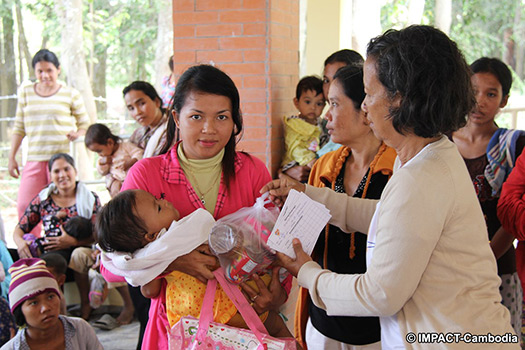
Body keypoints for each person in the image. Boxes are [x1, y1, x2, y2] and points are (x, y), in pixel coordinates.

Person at [262, 25, 518, 349]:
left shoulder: (422, 176)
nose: (365, 105)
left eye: (369, 93)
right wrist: (310, 196)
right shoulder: (425, 155)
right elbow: (392, 218)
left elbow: (378, 294)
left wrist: (307, 272)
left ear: (400, 98)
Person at [117, 64, 290, 349]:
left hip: (245, 329)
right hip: (176, 332)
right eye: (196, 116)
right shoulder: (145, 175)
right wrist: (172, 261)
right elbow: (112, 263)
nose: (209, 129)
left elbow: (277, 246)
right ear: (176, 117)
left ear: (234, 120)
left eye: (222, 117)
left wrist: (277, 294)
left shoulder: (252, 171)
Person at [97, 189, 291, 338]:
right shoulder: (183, 231)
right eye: (158, 207)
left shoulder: (147, 256)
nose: (164, 202)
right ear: (152, 235)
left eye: (158, 198)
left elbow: (149, 291)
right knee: (276, 329)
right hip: (231, 306)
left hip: (192, 318)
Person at [295, 64, 396, 349]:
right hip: (323, 320)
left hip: (378, 328)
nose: (327, 114)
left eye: (335, 104)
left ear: (365, 111)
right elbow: (304, 239)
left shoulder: (396, 171)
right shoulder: (325, 167)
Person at [451, 57, 525, 337]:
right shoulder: (440, 142)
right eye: (473, 91)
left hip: (498, 266)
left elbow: (513, 213)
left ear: (504, 100)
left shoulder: (516, 145)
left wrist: (486, 257)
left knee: (497, 337)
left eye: (491, 94)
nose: (479, 101)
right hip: (448, 268)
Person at [8, 49, 90, 236]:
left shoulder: (70, 94)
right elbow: (19, 126)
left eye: (49, 70)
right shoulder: (27, 93)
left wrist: (77, 133)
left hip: (60, 160)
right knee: (25, 205)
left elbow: (85, 124)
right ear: (35, 72)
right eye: (40, 71)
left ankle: (64, 247)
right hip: (35, 159)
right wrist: (11, 157)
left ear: (58, 70)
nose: (45, 75)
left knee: (65, 207)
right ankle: (32, 249)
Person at [12, 153, 102, 320]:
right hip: (54, 249)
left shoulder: (90, 198)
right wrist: (20, 244)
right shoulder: (43, 199)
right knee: (48, 265)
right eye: (56, 171)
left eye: (66, 169)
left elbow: (100, 234)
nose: (62, 175)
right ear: (50, 175)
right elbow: (20, 228)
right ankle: (59, 315)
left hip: (83, 247)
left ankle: (85, 306)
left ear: (74, 171)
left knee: (77, 256)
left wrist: (74, 241)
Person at [282, 49, 364, 182]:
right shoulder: (320, 123)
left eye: (339, 78)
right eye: (326, 80)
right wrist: (284, 172)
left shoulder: (354, 130)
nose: (331, 86)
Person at [1, 258, 102, 350]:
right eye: (34, 303)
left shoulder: (80, 329)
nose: (45, 308)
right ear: (20, 311)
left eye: (50, 297)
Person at [280, 76, 326, 178]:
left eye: (319, 103)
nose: (313, 107)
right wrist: (310, 160)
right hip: (296, 164)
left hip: (314, 166)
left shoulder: (321, 124)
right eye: (307, 102)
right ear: (296, 103)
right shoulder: (293, 124)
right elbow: (295, 148)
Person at [85, 123, 144, 197]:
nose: (99, 154)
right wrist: (103, 163)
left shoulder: (125, 146)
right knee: (116, 193)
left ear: (110, 142)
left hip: (132, 179)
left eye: (99, 151)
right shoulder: (104, 158)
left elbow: (139, 152)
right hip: (117, 182)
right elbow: (102, 172)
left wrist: (131, 162)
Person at [124, 81, 173, 158]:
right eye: (131, 108)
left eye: (141, 104)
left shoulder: (171, 131)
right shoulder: (138, 134)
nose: (137, 112)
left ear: (157, 102)